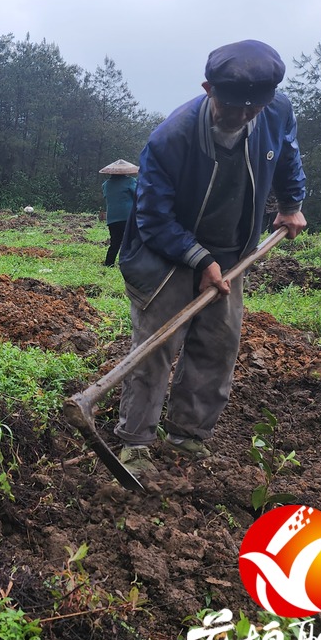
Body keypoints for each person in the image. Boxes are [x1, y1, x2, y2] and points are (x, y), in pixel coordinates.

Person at [114, 40, 307, 477]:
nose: (240, 117)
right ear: (208, 89)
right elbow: (152, 216)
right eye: (230, 107)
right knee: (156, 345)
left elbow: (287, 156)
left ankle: (187, 435)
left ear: (267, 101)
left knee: (217, 344)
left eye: (251, 110)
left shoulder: (276, 112)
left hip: (231, 251)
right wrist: (198, 260)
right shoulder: (171, 137)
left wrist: (291, 203)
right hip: (166, 254)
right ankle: (136, 443)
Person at [99, 159, 139, 266]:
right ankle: (130, 263)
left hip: (112, 218)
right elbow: (138, 194)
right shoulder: (130, 181)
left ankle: (109, 263)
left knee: (115, 242)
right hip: (127, 216)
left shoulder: (106, 185)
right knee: (132, 240)